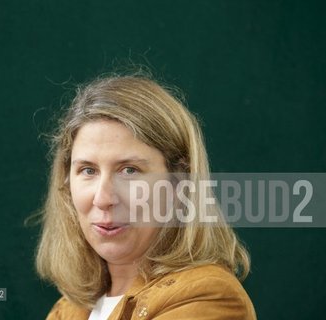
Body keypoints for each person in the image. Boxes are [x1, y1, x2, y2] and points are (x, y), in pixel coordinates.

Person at [35, 73, 256, 319]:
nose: (103, 198)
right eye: (88, 170)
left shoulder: (209, 295)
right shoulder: (67, 310)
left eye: (129, 170)